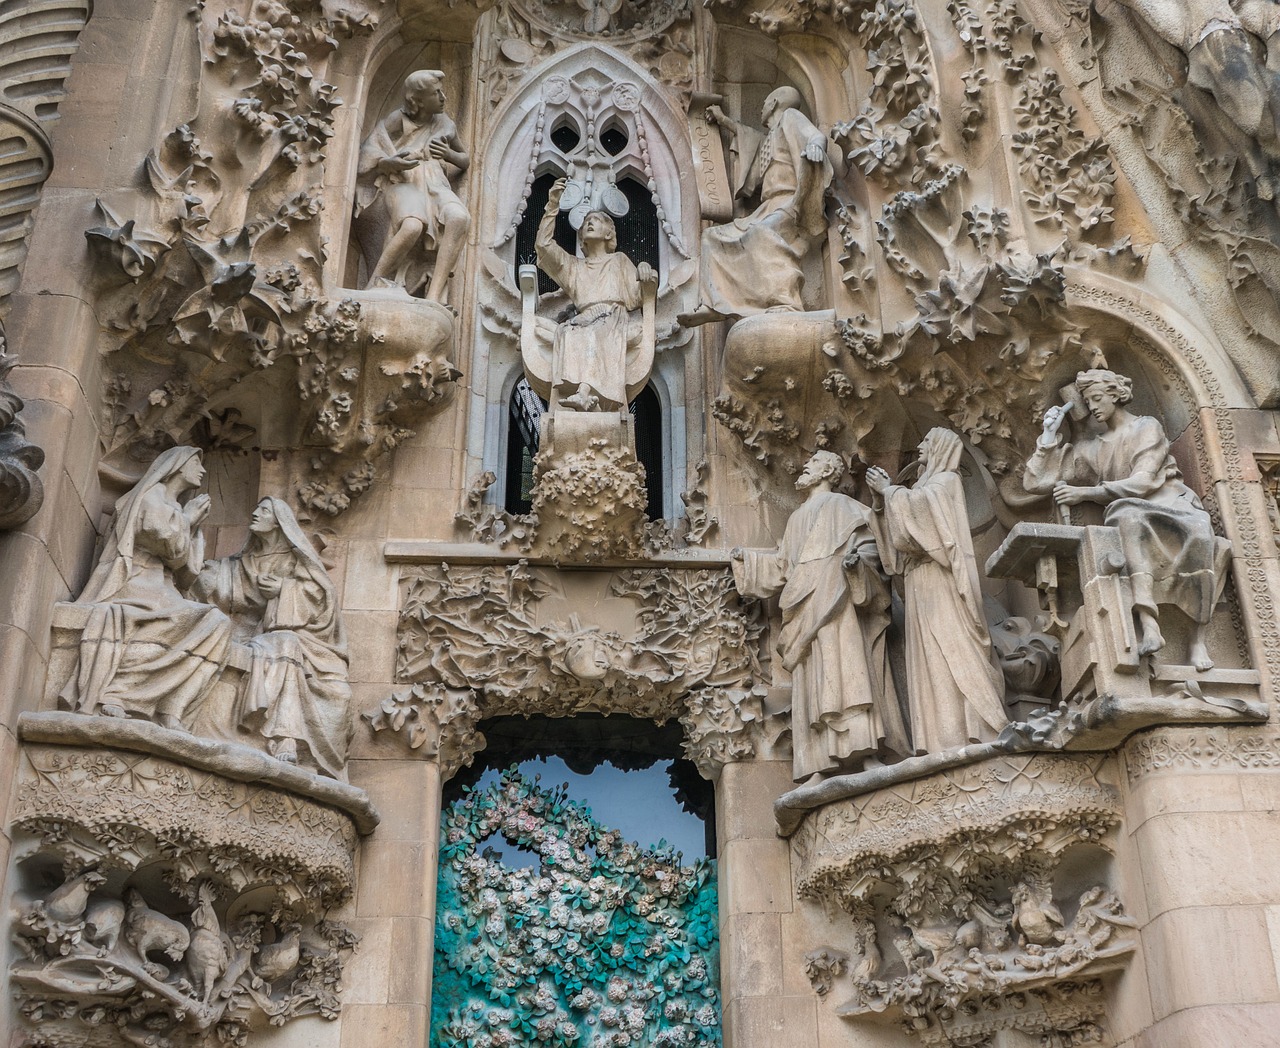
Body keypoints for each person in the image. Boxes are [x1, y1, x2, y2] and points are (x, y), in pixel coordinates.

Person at [1023, 368, 1230, 671]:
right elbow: (1036, 483)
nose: (1092, 406)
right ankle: (1150, 627)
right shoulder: (1092, 448)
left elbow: (1143, 482)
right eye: (1087, 401)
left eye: (1097, 398)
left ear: (1116, 395)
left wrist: (1085, 494)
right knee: (1127, 518)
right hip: (1130, 512)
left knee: (1201, 536)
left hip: (1173, 505)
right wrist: (1049, 435)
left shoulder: (1146, 427)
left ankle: (1197, 641)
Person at [731, 450, 908, 783]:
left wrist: (855, 567)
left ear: (828, 470)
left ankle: (865, 753)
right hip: (805, 607)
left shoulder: (844, 507)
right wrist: (749, 563)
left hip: (838, 600)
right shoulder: (797, 518)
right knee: (813, 684)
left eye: (812, 463)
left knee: (849, 677)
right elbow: (785, 567)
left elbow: (873, 546)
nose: (805, 466)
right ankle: (817, 764)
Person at [60, 447, 231, 730]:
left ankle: (171, 706)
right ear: (177, 466)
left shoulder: (175, 507)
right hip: (134, 583)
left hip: (161, 587)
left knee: (218, 622)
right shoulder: (149, 496)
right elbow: (159, 538)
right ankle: (118, 695)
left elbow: (184, 568)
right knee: (186, 619)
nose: (201, 470)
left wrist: (190, 525)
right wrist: (187, 522)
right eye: (196, 462)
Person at [867, 429, 1007, 754]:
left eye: (927, 442)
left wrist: (889, 491)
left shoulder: (945, 483)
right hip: (920, 584)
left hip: (941, 582)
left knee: (951, 650)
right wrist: (880, 500)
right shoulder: (923, 489)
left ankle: (973, 729)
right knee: (929, 658)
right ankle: (939, 739)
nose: (919, 446)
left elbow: (921, 526)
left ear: (941, 447)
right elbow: (899, 544)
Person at [192, 497, 353, 777]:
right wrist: (190, 533)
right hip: (244, 636)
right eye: (256, 508)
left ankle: (286, 735)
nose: (254, 513)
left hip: (299, 640)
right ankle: (284, 737)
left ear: (279, 522)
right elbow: (207, 582)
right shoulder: (238, 564)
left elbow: (321, 599)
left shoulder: (296, 562)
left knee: (289, 645)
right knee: (282, 644)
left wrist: (284, 589)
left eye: (264, 510)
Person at [680, 87, 834, 325]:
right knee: (712, 237)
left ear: (773, 103)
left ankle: (786, 302)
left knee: (762, 234)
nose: (761, 107)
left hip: (788, 201)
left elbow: (815, 136)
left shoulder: (790, 117)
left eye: (764, 102)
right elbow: (754, 142)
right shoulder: (772, 135)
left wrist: (815, 147)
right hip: (767, 207)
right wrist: (725, 122)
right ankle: (713, 304)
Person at [533, 177, 657, 411]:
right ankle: (582, 394)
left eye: (596, 221)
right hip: (584, 318)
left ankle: (584, 392)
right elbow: (544, 247)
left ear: (609, 233)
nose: (590, 223)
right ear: (580, 237)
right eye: (587, 221)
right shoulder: (574, 267)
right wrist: (552, 206)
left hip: (611, 316)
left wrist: (645, 270)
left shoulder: (618, 260)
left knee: (592, 333)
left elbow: (639, 295)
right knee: (567, 330)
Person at [354, 69, 470, 302]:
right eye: (436, 93)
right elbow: (370, 147)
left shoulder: (445, 123)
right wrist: (388, 162)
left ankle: (435, 296)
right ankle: (373, 284)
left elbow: (465, 159)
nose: (443, 98)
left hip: (436, 183)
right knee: (412, 226)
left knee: (459, 218)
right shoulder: (399, 119)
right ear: (417, 101)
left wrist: (449, 154)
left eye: (442, 92)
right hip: (404, 180)